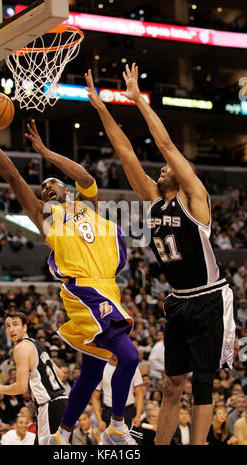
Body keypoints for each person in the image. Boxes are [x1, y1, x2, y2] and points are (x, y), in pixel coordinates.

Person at [86, 64, 236, 445]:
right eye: (165, 167)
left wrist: (138, 99)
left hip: (209, 298)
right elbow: (125, 152)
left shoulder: (195, 200)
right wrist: (102, 107)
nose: (164, 166)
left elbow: (167, 145)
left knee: (202, 380)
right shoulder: (154, 202)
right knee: (171, 384)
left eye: (170, 167)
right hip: (178, 302)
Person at [0, 102, 139, 446]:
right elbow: (12, 176)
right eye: (43, 189)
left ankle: (60, 437)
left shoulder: (87, 205)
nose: (47, 189)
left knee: (91, 372)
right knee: (130, 356)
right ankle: (117, 427)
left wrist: (46, 152)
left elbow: (86, 178)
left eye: (53, 185)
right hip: (84, 291)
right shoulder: (47, 219)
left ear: (66, 190)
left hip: (108, 289)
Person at [0, 310, 68, 444]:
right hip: (63, 403)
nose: (11, 329)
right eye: (7, 326)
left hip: (50, 407)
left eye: (15, 324)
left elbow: (21, 388)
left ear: (25, 327)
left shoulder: (21, 348)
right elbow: (61, 375)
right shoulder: (36, 344)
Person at [92, 354, 144, 431]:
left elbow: (139, 394)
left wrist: (138, 416)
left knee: (134, 442)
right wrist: (99, 420)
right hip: (109, 412)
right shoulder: (101, 368)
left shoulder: (132, 366)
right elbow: (95, 397)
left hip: (129, 411)